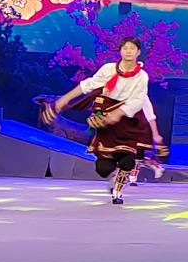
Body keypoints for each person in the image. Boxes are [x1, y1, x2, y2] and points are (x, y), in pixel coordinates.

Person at [45, 37, 152, 204]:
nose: (128, 51)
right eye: (125, 48)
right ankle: (113, 175)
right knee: (103, 168)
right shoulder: (109, 69)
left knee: (128, 160)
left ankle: (117, 192)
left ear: (138, 52)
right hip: (106, 122)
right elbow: (88, 85)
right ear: (120, 51)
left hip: (127, 121)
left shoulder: (142, 76)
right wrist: (64, 100)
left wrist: (117, 114)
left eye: (132, 48)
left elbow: (137, 101)